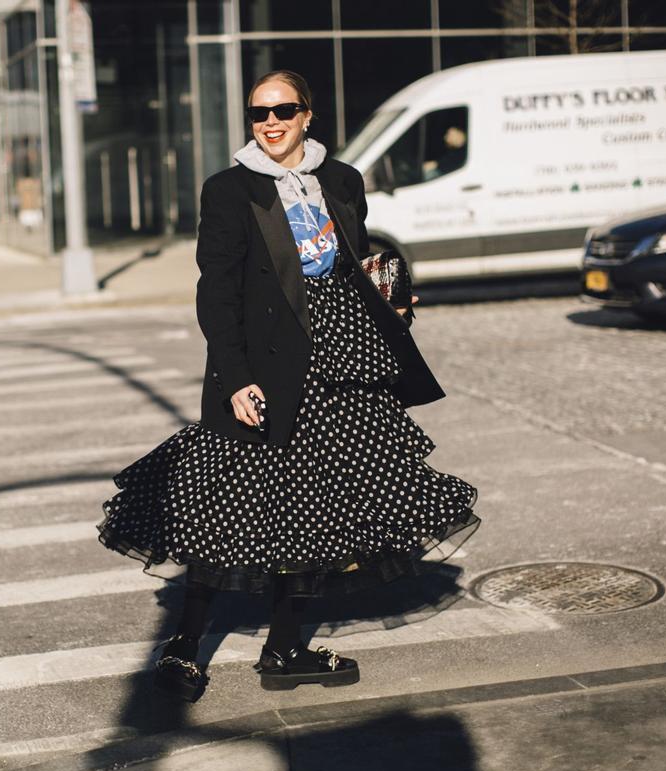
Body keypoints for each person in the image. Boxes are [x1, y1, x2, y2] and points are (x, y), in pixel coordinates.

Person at [96, 70, 480, 702]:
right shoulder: (229, 190)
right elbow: (215, 292)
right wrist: (237, 378)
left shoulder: (344, 180)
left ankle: (285, 647)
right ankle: (184, 648)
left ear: (309, 115)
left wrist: (392, 306)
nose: (270, 122)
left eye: (283, 110)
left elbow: (353, 265)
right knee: (228, 511)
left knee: (324, 513)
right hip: (267, 372)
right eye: (258, 114)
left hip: (347, 364)